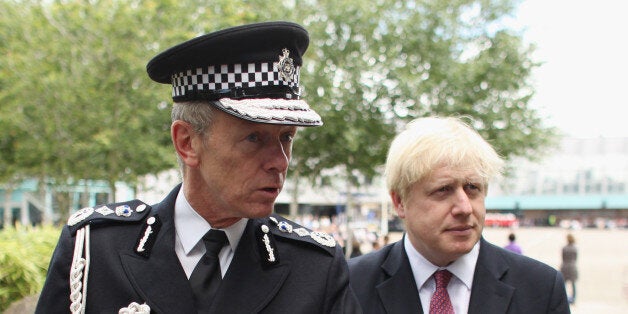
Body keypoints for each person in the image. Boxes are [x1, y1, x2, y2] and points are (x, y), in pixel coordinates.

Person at [36, 21, 360, 314]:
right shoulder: (95, 250)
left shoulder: (314, 268)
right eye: (253, 138)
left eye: (286, 137)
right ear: (187, 142)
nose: (279, 161)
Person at [348, 116, 570, 314]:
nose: (465, 208)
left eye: (472, 188)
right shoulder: (350, 286)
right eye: (443, 190)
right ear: (400, 202)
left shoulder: (540, 288)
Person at [560, 234, 578, 304]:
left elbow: (563, 257)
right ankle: (573, 298)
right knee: (573, 284)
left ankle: (563, 298)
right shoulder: (575, 248)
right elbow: (576, 258)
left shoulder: (564, 248)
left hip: (565, 266)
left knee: (564, 284)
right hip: (572, 266)